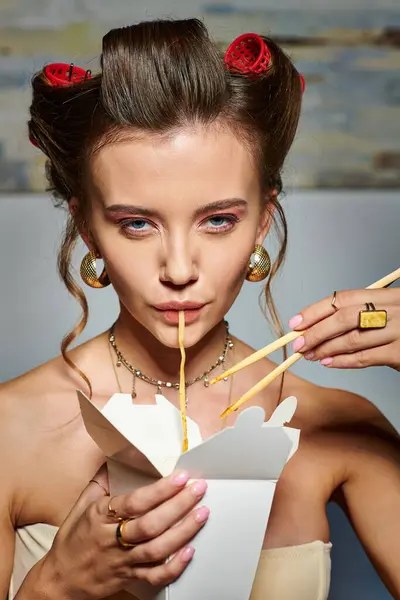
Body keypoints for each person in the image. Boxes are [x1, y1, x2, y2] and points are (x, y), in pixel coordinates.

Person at [1, 17, 399, 600]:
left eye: (218, 220)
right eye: (137, 223)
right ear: (87, 227)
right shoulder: (10, 429)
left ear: (263, 219)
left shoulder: (335, 427)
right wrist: (57, 586)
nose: (180, 268)